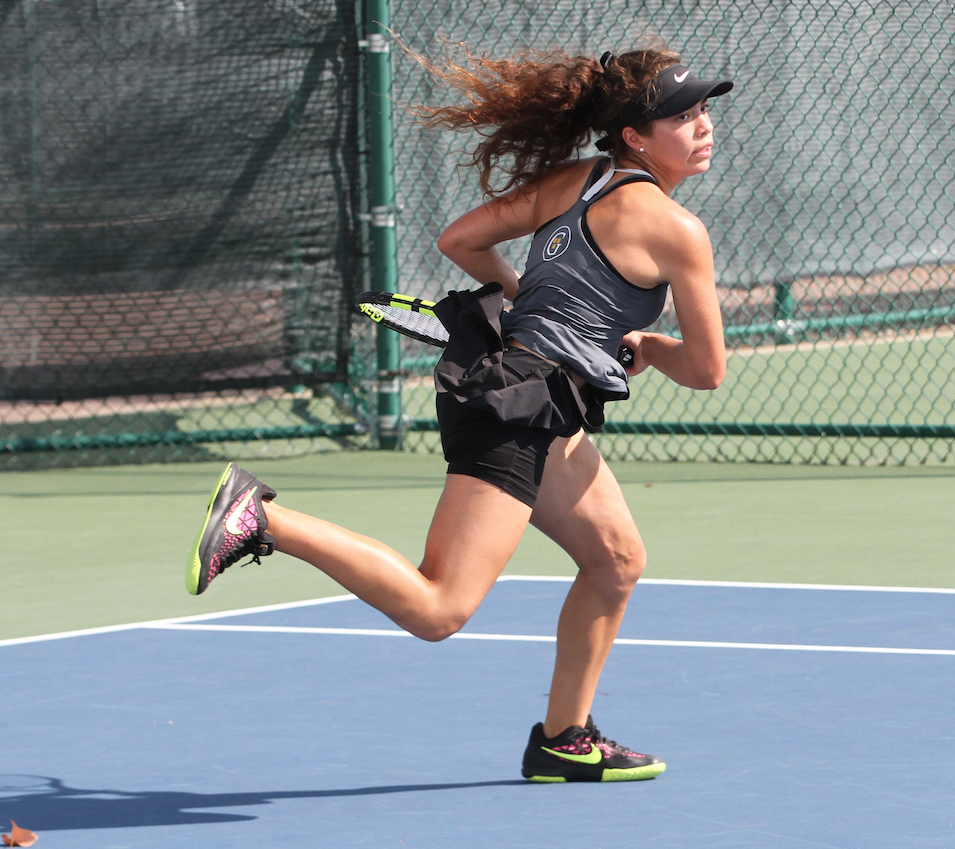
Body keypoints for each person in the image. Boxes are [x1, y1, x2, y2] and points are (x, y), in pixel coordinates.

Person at [186, 44, 732, 783]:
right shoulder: (676, 229)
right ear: (635, 136)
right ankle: (263, 518)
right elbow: (704, 370)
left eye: (702, 109)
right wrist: (651, 343)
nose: (702, 125)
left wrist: (514, 293)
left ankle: (563, 737)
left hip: (537, 399)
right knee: (439, 607)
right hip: (519, 407)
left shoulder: (577, 181)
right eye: (681, 115)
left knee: (615, 562)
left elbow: (460, 241)